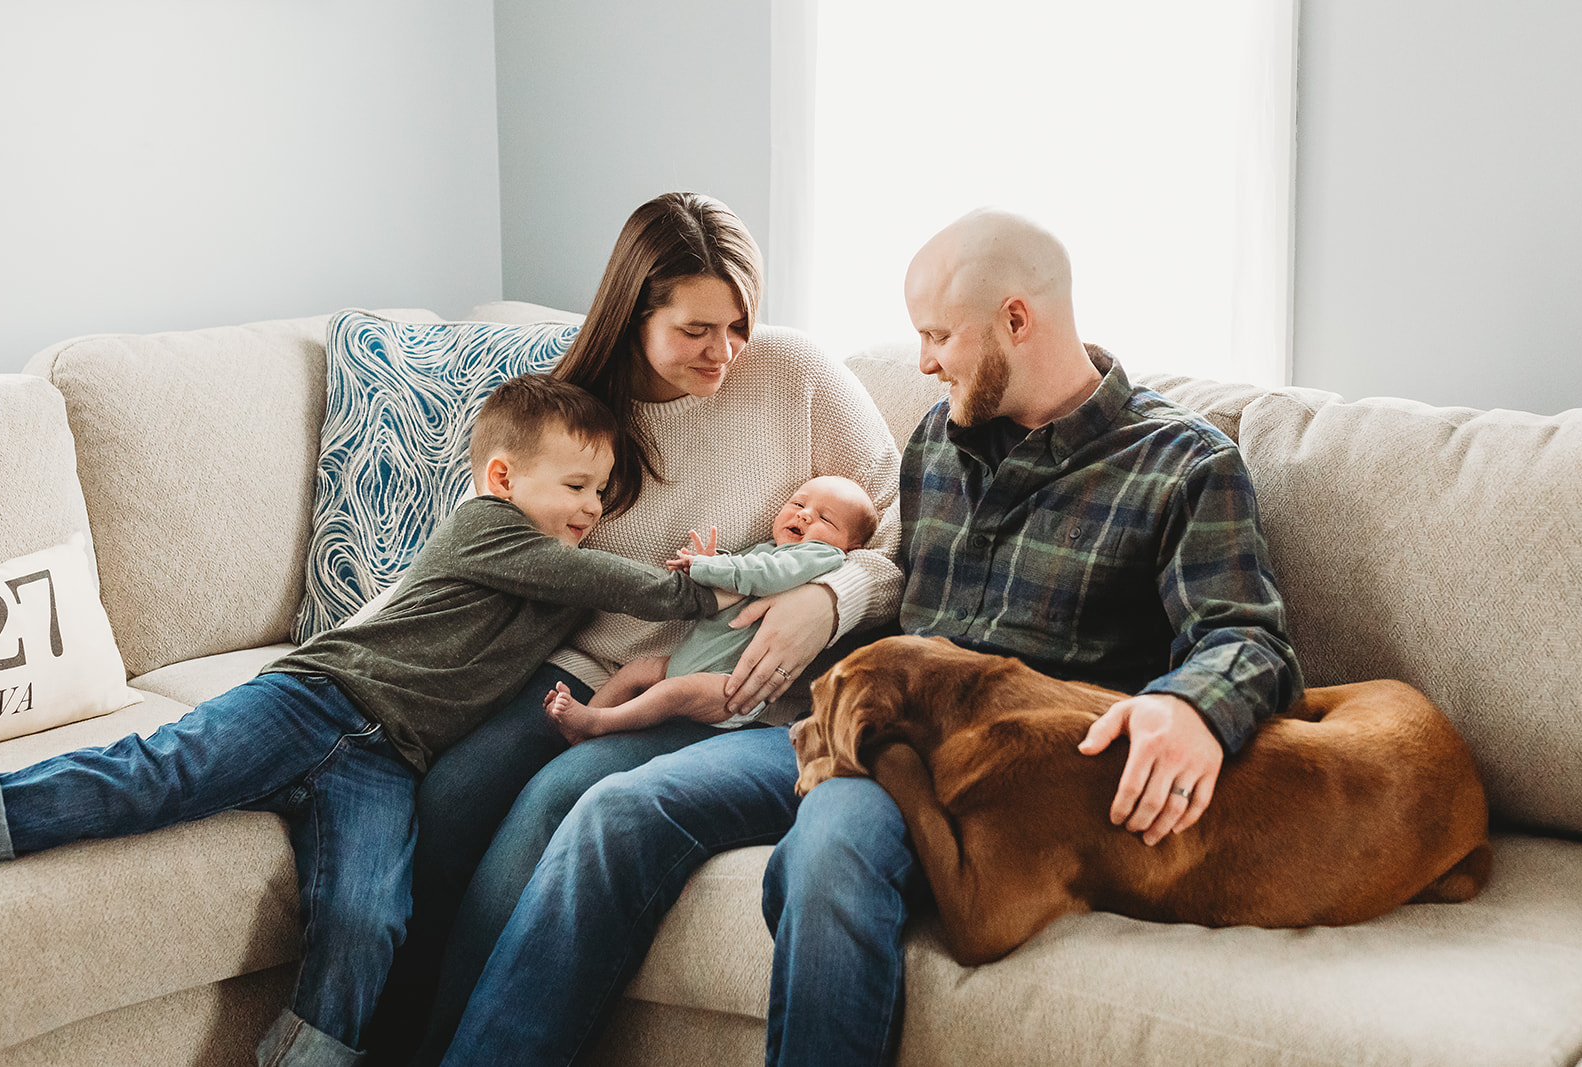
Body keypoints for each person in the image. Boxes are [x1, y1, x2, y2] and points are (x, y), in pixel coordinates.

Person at [428, 208, 1306, 1067]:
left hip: (1002, 759)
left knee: (831, 853)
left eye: (938, 338)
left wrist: (1192, 706)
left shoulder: (1182, 463)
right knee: (614, 810)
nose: (921, 363)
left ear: (1016, 320)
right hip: (853, 722)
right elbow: (883, 568)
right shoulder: (942, 441)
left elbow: (1245, 635)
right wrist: (819, 599)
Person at [0, 374, 737, 1067]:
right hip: (312, 698)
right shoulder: (487, 529)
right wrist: (702, 591)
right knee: (158, 772)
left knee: (370, 915)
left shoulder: (560, 581)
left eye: (601, 491)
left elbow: (610, 614)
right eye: (577, 486)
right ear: (504, 478)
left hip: (384, 761)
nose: (592, 508)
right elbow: (606, 578)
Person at [363, 192, 904, 1063]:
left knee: (550, 801)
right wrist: (334, 661)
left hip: (705, 680)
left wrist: (831, 597)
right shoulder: (574, 412)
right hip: (573, 663)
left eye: (739, 324)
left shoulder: (794, 373)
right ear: (634, 308)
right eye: (697, 329)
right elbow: (471, 546)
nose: (724, 352)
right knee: (450, 797)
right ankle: (380, 1041)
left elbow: (906, 511)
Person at [546, 475, 881, 742]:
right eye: (798, 503)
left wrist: (707, 569)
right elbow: (741, 571)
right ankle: (580, 725)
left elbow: (763, 576)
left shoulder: (821, 556)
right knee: (638, 670)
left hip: (731, 686)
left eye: (825, 518)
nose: (805, 514)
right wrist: (712, 562)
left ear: (850, 546)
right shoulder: (769, 548)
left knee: (672, 693)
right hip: (693, 661)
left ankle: (600, 722)